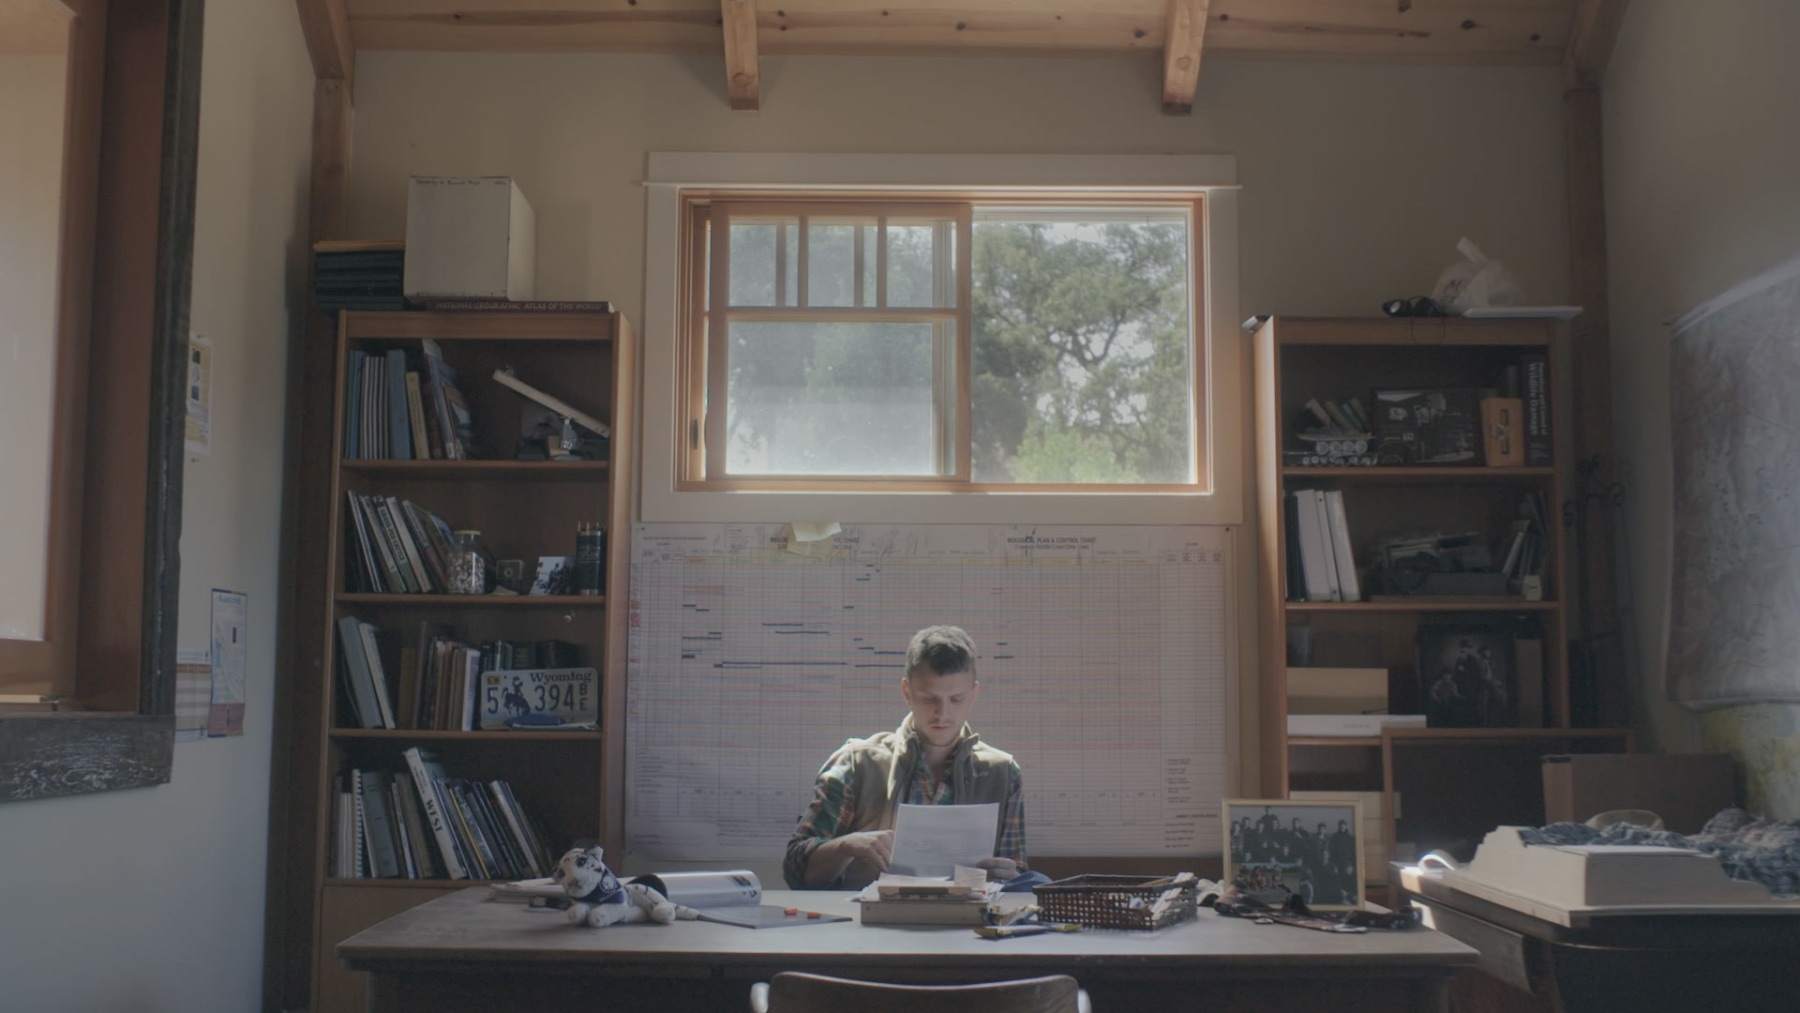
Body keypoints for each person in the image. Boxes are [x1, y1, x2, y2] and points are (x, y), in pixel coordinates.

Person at [783, 625, 1027, 890]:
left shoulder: (1003, 773)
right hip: (870, 925)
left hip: (968, 926)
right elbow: (795, 870)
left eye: (956, 699)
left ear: (973, 695)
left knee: (1037, 883)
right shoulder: (856, 763)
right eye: (929, 698)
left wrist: (1011, 876)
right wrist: (847, 845)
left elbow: (1016, 880)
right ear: (907, 692)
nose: (942, 714)